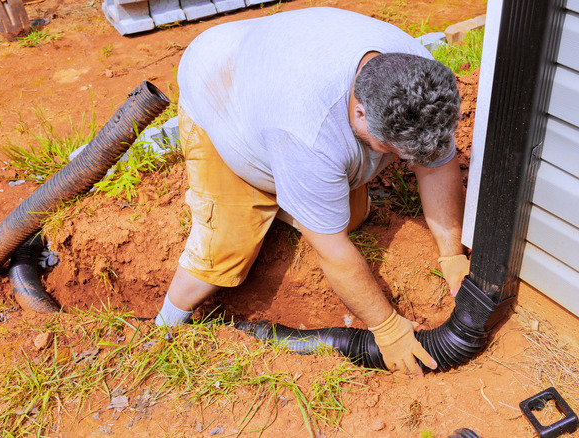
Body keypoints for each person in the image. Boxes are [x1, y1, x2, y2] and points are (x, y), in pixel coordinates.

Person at [154, 7, 471, 376]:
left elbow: (436, 164)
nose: (404, 159)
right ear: (360, 112)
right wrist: (386, 328)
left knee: (350, 216)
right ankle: (163, 328)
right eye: (394, 149)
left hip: (270, 66)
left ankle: (295, 203)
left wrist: (452, 255)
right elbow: (333, 252)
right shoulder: (309, 133)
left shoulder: (424, 83)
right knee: (225, 246)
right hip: (221, 87)